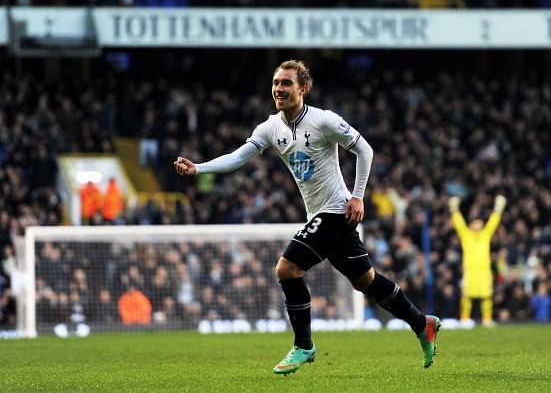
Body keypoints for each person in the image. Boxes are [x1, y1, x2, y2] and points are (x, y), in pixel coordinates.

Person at [174, 60, 441, 374]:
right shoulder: (270, 127)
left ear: (303, 88)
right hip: (321, 213)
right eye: (276, 83)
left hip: (336, 211)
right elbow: (238, 158)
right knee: (365, 281)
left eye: (286, 83)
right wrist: (198, 168)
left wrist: (358, 196)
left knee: (287, 269)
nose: (279, 89)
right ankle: (422, 323)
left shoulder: (323, 120)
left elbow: (364, 150)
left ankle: (304, 345)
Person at [448, 194, 506, 327]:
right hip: (470, 270)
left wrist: (498, 207)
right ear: (471, 224)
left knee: (486, 296)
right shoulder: (466, 235)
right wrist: (454, 208)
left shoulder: (485, 234)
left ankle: (487, 319)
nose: (478, 224)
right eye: (475, 222)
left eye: (480, 222)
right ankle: (464, 319)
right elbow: (458, 222)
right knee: (467, 296)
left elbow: (494, 222)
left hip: (484, 270)